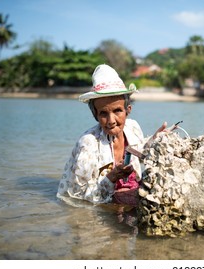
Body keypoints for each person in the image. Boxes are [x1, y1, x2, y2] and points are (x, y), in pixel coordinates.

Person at [57, 64, 166, 207]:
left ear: (128, 110)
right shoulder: (89, 144)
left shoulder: (132, 128)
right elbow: (80, 196)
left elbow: (139, 151)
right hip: (104, 207)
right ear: (95, 114)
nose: (111, 121)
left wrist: (155, 140)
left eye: (117, 111)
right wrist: (112, 177)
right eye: (103, 113)